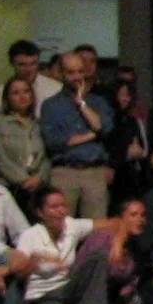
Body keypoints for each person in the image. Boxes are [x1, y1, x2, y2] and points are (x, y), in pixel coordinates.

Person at [16, 186, 129, 304]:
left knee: (99, 255)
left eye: (63, 206)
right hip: (42, 297)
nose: (60, 211)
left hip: (67, 288)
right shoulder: (30, 235)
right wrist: (35, 261)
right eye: (54, 207)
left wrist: (118, 244)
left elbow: (117, 223)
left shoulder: (71, 226)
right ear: (40, 212)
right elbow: (17, 271)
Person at [40, 52, 115, 219]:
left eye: (80, 71)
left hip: (94, 172)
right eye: (71, 72)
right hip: (64, 172)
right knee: (61, 224)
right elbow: (54, 142)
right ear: (61, 74)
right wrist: (92, 135)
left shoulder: (98, 102)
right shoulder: (50, 105)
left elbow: (103, 127)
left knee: (96, 228)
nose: (77, 77)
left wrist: (81, 103)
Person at [77, 197, 150, 304]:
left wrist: (127, 292)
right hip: (84, 293)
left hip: (110, 297)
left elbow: (133, 279)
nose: (140, 220)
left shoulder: (135, 246)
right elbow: (90, 271)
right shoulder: (102, 237)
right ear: (119, 219)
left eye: (143, 215)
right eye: (133, 215)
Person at [0, 39, 60, 140]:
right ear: (12, 64)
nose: (28, 69)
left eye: (33, 63)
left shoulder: (55, 89)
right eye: (22, 64)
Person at [0, 77, 51, 205]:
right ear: (7, 98)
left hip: (37, 187)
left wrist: (39, 178)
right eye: (16, 93)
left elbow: (46, 157)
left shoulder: (39, 123)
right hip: (7, 187)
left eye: (26, 91)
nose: (22, 96)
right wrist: (24, 179)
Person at [102, 77, 151, 206]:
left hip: (129, 175)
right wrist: (123, 156)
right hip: (109, 175)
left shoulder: (133, 121)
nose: (125, 99)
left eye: (128, 95)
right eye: (121, 95)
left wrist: (136, 152)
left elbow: (143, 150)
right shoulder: (105, 120)